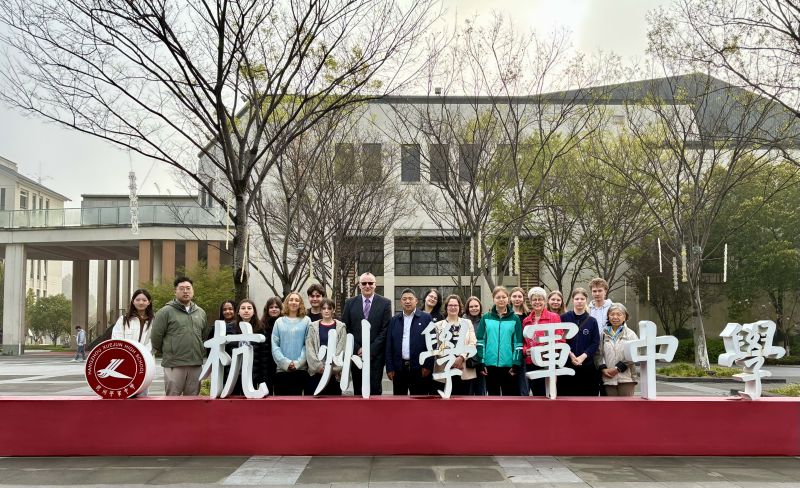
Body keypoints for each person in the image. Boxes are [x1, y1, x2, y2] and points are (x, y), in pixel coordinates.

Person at [150, 276, 208, 396]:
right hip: (174, 364)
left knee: (193, 400)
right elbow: (156, 338)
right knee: (173, 399)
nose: (185, 291)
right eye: (181, 288)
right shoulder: (165, 312)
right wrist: (169, 350)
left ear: (193, 290)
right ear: (175, 291)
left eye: (188, 288)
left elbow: (203, 336)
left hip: (195, 363)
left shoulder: (201, 312)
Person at [341, 272, 391, 395]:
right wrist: (357, 348)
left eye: (370, 283)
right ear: (359, 285)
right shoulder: (350, 303)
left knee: (374, 391)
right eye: (364, 283)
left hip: (375, 356)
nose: (367, 286)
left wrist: (369, 349)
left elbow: (385, 330)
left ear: (375, 285)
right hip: (356, 355)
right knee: (358, 391)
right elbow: (345, 328)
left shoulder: (385, 303)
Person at [475, 286, 523, 396]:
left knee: (510, 399)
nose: (501, 299)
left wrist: (516, 363)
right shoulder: (486, 318)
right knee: (493, 399)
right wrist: (481, 362)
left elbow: (518, 343)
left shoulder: (514, 318)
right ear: (493, 299)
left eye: (504, 297)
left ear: (508, 298)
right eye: (498, 297)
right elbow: (480, 342)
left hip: (509, 366)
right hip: (489, 365)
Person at [385, 288, 433, 395]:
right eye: (404, 299)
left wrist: (428, 365)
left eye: (410, 298)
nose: (407, 301)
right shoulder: (394, 320)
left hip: (419, 368)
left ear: (416, 301)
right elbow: (389, 345)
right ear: (400, 302)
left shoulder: (426, 318)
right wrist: (389, 367)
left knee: (419, 401)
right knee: (399, 401)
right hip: (399, 369)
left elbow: (432, 344)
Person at [521, 287, 565, 396]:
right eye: (534, 300)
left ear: (545, 301)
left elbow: (561, 339)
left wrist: (547, 351)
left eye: (540, 299)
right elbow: (524, 342)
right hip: (531, 361)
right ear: (530, 302)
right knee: (536, 394)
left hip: (548, 361)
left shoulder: (554, 317)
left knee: (548, 394)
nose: (537, 302)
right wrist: (525, 350)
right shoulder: (526, 321)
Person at [111, 289, 154, 393]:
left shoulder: (154, 321)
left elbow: (154, 342)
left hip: (145, 362)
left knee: (142, 393)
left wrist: (142, 356)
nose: (141, 302)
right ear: (133, 301)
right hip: (126, 361)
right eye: (137, 300)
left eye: (144, 300)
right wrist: (128, 355)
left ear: (149, 302)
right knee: (124, 391)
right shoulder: (124, 319)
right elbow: (116, 339)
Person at [559, 288, 600, 396]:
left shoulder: (592, 321)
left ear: (586, 300)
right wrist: (570, 354)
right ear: (573, 300)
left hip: (587, 365)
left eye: (582, 299)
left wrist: (583, 356)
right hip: (567, 363)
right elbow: (560, 339)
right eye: (577, 299)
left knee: (587, 397)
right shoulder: (564, 318)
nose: (579, 301)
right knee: (567, 396)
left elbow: (595, 342)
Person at [434, 294, 477, 395]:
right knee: (446, 402)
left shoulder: (468, 323)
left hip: (464, 368)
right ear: (446, 307)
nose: (453, 307)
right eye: (450, 305)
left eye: (455, 305)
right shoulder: (438, 325)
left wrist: (461, 357)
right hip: (444, 369)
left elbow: (473, 343)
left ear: (459, 307)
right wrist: (451, 360)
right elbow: (436, 347)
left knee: (464, 401)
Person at [271, 292, 310, 395]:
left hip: (301, 370)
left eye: (297, 300)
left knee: (299, 403)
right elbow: (275, 345)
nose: (294, 302)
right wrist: (286, 363)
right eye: (291, 300)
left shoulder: (306, 321)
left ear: (300, 304)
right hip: (282, 370)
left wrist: (298, 363)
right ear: (286, 303)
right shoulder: (279, 322)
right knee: (282, 403)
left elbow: (308, 344)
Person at [305, 298, 346, 395]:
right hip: (317, 372)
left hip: (334, 374)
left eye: (329, 308)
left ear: (333, 310)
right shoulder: (313, 326)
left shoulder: (341, 327)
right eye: (324, 308)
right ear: (320, 310)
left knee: (333, 402)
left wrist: (331, 369)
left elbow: (342, 348)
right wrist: (319, 367)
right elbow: (310, 348)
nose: (326, 311)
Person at [597, 303, 638, 396]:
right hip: (608, 378)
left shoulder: (630, 334)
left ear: (625, 317)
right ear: (608, 316)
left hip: (626, 378)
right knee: (611, 405)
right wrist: (603, 369)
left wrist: (618, 368)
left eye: (619, 314)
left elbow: (635, 353)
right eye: (612, 314)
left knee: (626, 405)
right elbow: (598, 353)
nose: (615, 317)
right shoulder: (603, 334)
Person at [238, 299, 271, 394]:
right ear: (238, 312)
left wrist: (263, 380)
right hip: (235, 374)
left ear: (254, 312)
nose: (246, 311)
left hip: (254, 374)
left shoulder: (261, 329)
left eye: (249, 308)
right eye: (243, 308)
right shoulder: (231, 330)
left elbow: (264, 357)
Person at [215, 299, 242, 396]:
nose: (227, 311)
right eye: (224, 309)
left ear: (235, 310)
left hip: (238, 369)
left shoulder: (240, 327)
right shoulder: (215, 328)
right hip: (222, 369)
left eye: (230, 309)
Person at [462, 296, 486, 395]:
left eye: (476, 306)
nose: (474, 308)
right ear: (467, 308)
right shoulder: (462, 321)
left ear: (480, 307)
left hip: (481, 361)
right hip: (467, 361)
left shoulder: (484, 320)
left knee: (481, 392)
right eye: (471, 306)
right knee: (468, 392)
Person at [509, 286, 530, 395]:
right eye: (514, 296)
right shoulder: (506, 315)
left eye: (519, 296)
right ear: (510, 298)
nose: (517, 299)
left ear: (523, 298)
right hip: (509, 353)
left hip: (524, 354)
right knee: (511, 387)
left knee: (524, 387)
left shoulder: (528, 315)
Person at [259, 297, 282, 394]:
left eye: (276, 307)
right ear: (267, 309)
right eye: (271, 307)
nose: (274, 309)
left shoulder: (284, 324)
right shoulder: (261, 326)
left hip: (280, 365)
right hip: (265, 366)